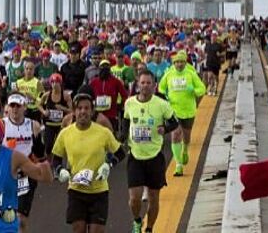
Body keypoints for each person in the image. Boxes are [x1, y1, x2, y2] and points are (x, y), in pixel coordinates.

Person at [52, 91, 125, 233]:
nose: (83, 111)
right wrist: (60, 170)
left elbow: (120, 153)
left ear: (92, 111)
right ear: (74, 111)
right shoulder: (65, 134)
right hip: (76, 190)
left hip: (99, 191)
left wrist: (108, 165)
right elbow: (56, 159)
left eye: (86, 108)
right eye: (79, 108)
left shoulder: (103, 133)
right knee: (78, 229)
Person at [123, 70, 178, 233]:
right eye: (142, 83)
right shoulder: (130, 103)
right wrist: (126, 140)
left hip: (154, 157)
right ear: (137, 85)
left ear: (154, 86)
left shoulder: (162, 104)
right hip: (135, 157)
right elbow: (126, 121)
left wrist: (165, 128)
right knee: (134, 199)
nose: (145, 86)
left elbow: (174, 123)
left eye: (149, 83)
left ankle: (149, 228)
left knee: (154, 198)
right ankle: (137, 220)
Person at [158, 51, 205, 176]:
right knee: (175, 135)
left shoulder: (191, 74)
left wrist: (193, 90)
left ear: (185, 62)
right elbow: (160, 88)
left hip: (189, 110)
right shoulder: (168, 74)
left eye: (181, 62)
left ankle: (185, 150)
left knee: (187, 136)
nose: (179, 64)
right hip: (174, 110)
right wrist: (166, 95)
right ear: (173, 63)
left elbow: (202, 89)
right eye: (177, 62)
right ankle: (178, 165)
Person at [3, 93, 45, 232]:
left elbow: (40, 154)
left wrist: (42, 169)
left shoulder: (34, 125)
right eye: (12, 106)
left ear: (24, 107)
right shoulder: (1, 125)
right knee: (4, 216)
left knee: (20, 219)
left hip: (26, 175)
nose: (15, 109)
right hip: (6, 174)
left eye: (18, 106)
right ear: (7, 108)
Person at [39, 73, 71, 159]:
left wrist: (62, 108)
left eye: (56, 82)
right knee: (48, 145)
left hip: (61, 125)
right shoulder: (47, 95)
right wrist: (44, 111)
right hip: (49, 124)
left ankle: (58, 163)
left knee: (60, 147)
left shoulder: (65, 96)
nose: (54, 85)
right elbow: (39, 104)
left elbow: (72, 111)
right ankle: (48, 159)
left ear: (60, 83)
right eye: (52, 82)